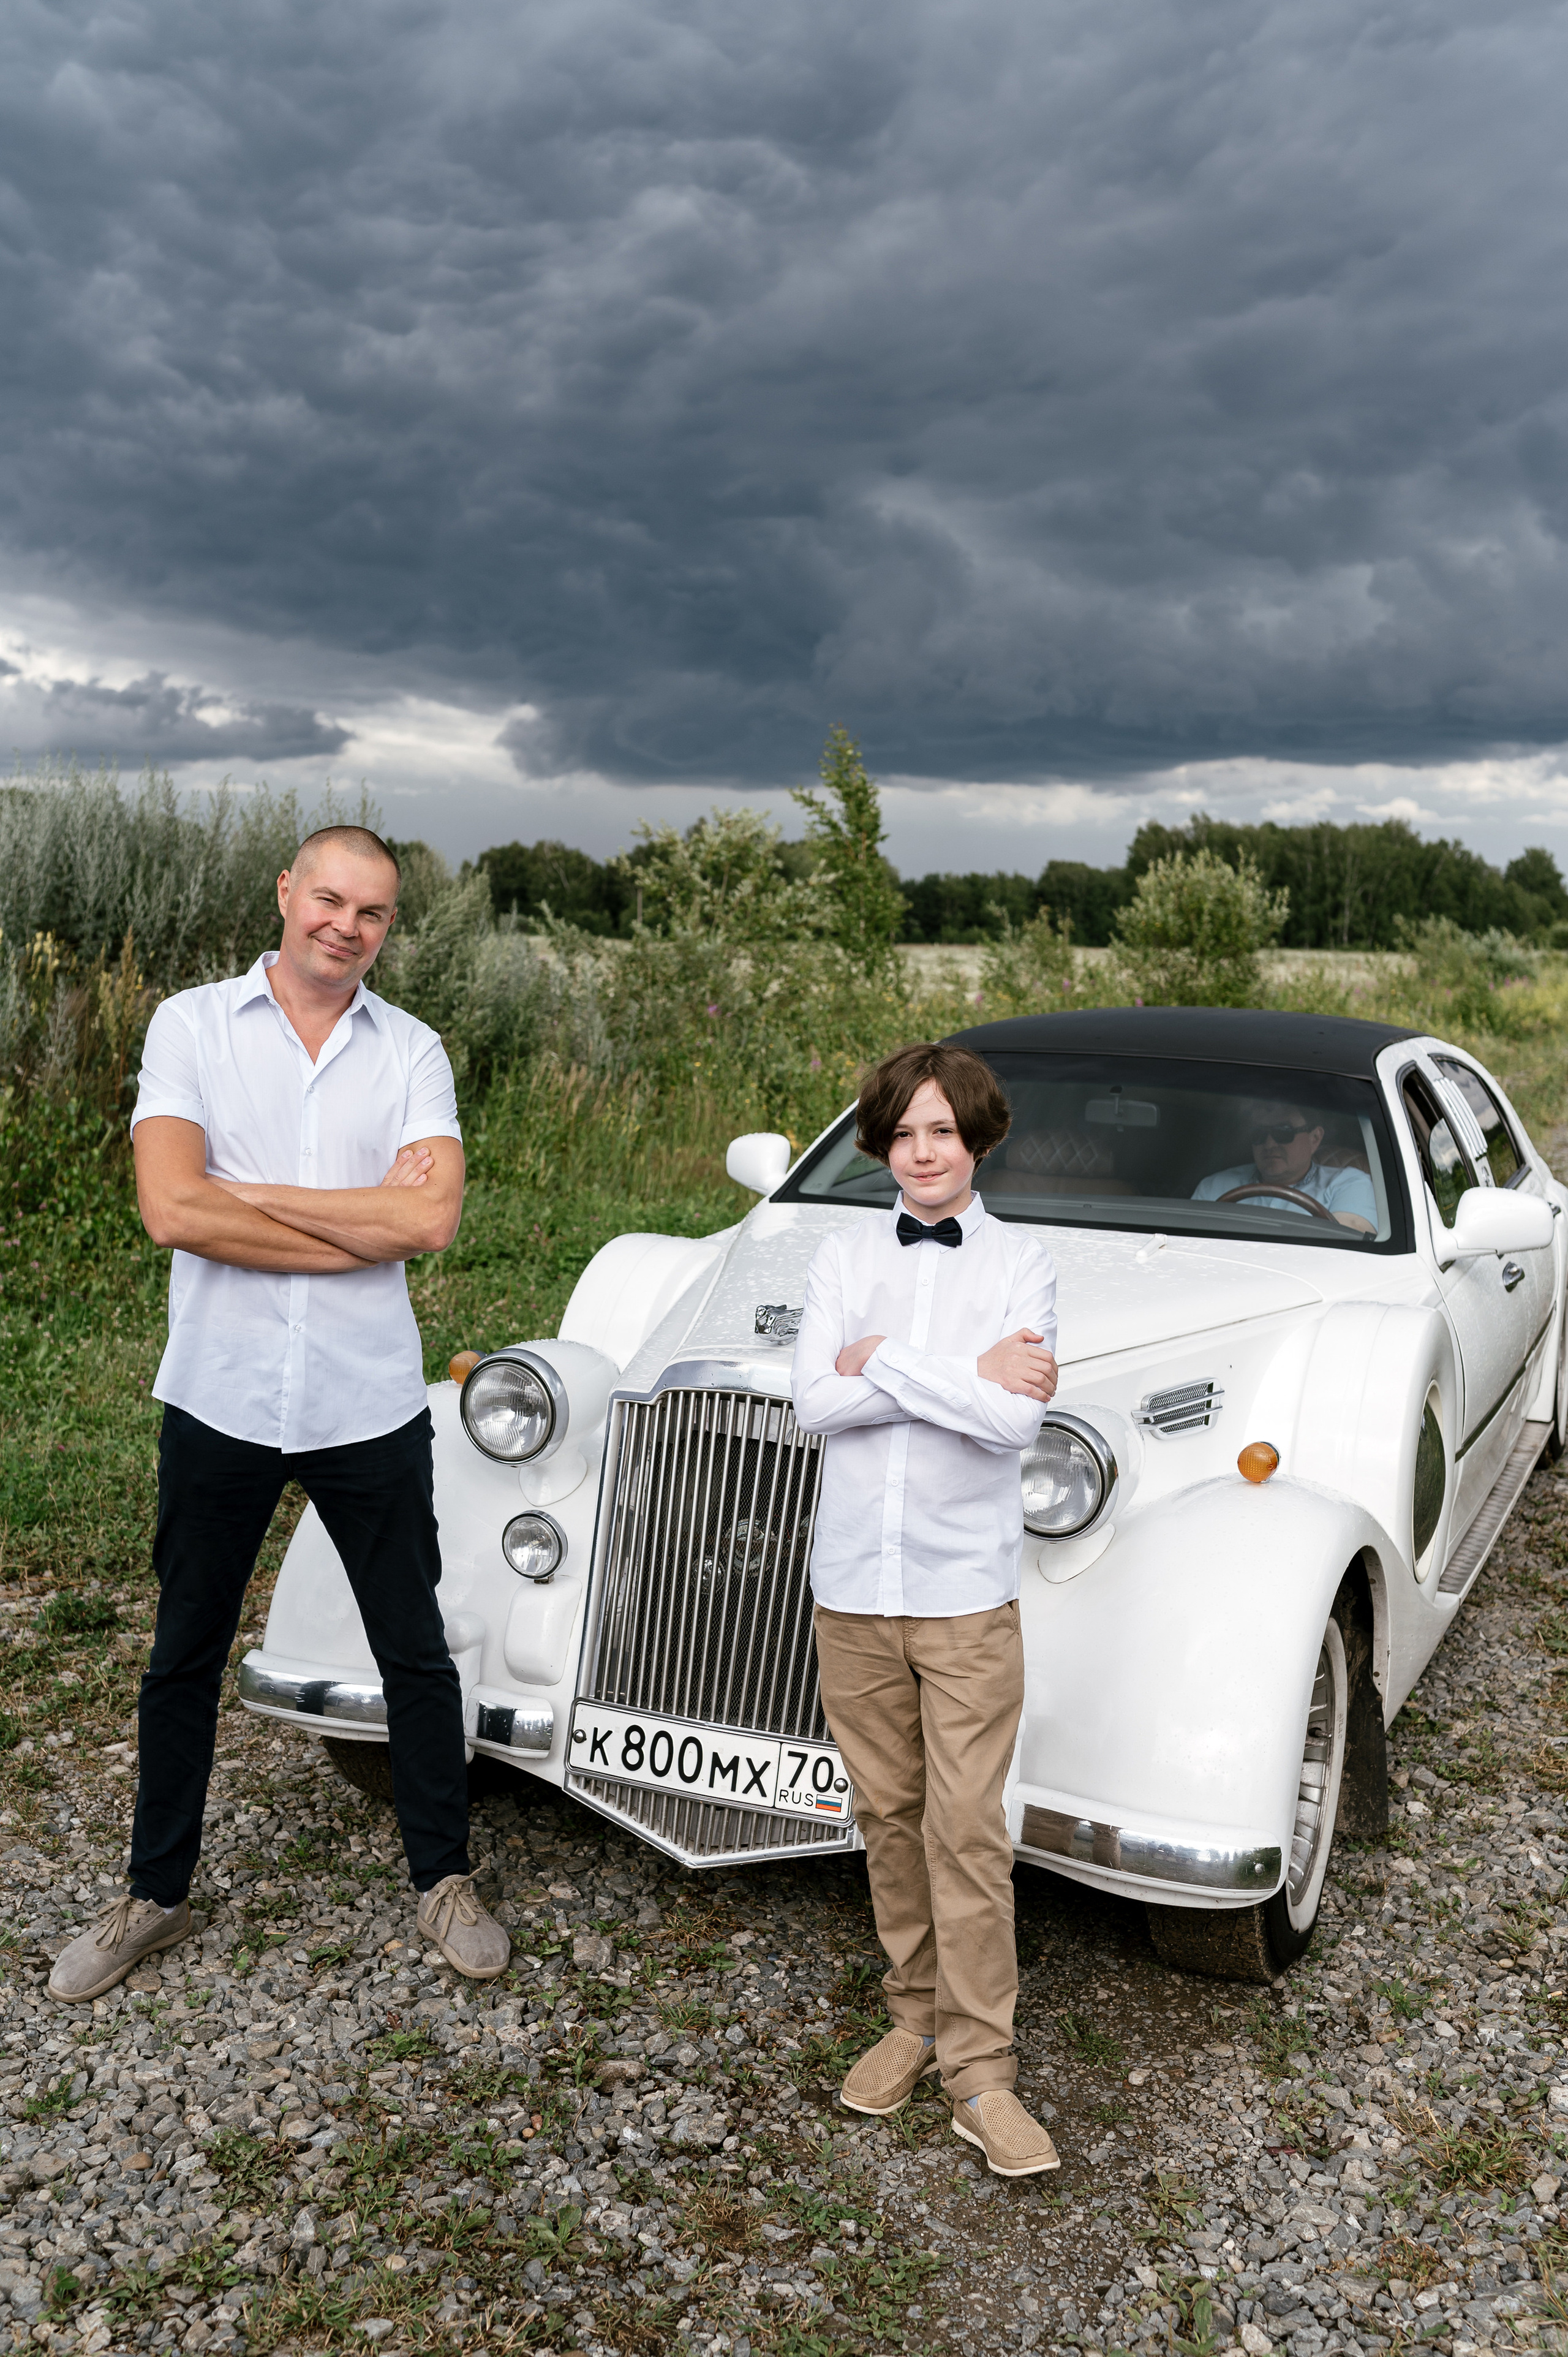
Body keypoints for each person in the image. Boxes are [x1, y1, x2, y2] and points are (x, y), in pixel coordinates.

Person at [48, 826, 510, 2003]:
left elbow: (427, 1225)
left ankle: (444, 1878)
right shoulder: (190, 1026)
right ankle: (153, 1894)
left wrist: (241, 1193)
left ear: (388, 927)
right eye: (329, 900)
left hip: (366, 1399)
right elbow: (167, 1208)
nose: (345, 926)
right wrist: (348, 1217)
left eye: (372, 912)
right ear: (287, 894)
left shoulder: (413, 1049)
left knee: (413, 1643)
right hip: (223, 1393)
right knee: (185, 1651)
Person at [791, 1040, 1062, 2179]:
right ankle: (913, 2017)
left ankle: (983, 2072)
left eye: (942, 1131)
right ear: (882, 1143)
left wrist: (886, 1358)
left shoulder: (1026, 1262)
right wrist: (962, 1370)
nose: (922, 1151)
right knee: (888, 1816)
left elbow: (1014, 1427)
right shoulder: (841, 1252)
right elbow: (811, 1402)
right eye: (904, 1132)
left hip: (964, 1596)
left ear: (979, 1138)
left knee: (968, 1828)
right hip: (851, 1587)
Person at [1193, 1098, 1376, 1231]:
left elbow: (1348, 1249)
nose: (1269, 1144)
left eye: (1283, 1132)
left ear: (1315, 1139)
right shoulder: (1215, 1186)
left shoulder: (1349, 1184)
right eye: (1259, 1134)